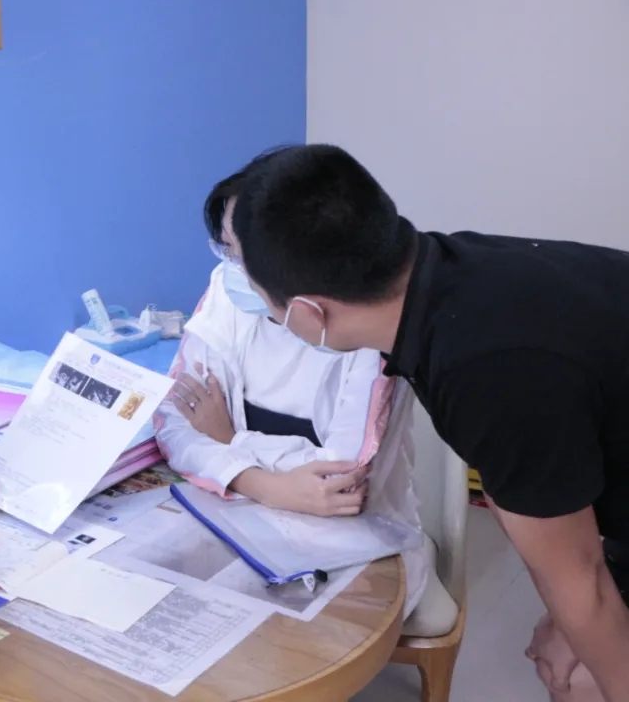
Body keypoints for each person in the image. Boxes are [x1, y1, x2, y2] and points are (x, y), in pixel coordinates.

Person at [230, 144, 629, 702]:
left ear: (307, 312)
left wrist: (584, 618)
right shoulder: (442, 273)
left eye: (259, 296)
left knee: (582, 680)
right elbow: (535, 498)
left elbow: (580, 580)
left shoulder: (486, 370)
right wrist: (571, 612)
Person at [155, 166, 445, 623]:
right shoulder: (227, 292)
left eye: (243, 250)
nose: (233, 266)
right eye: (226, 247)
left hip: (358, 544)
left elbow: (343, 481)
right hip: (236, 520)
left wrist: (229, 441)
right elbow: (174, 420)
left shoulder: (363, 326)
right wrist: (266, 484)